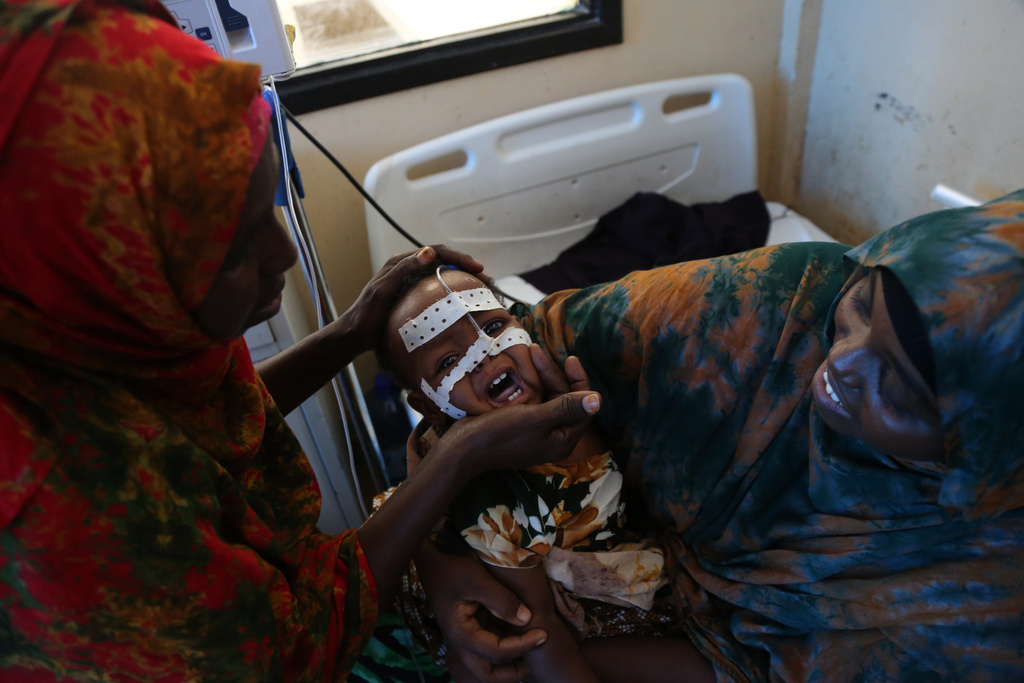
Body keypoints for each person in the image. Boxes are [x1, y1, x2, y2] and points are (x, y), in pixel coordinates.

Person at [0, 1, 601, 680]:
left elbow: (211, 419)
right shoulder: (60, 512)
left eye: (494, 327)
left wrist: (348, 333)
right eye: (234, 250)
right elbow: (287, 650)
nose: (283, 254)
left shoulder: (109, 335)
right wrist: (453, 469)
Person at [413, 192, 1024, 682]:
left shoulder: (988, 599)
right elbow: (466, 383)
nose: (840, 364)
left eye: (898, 386)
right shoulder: (765, 305)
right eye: (861, 305)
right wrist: (440, 560)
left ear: (989, 451)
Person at [375, 263, 711, 682]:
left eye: (494, 325)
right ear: (429, 407)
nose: (484, 352)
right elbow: (538, 628)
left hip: (635, 571)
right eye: (448, 360)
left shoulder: (573, 388)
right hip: (565, 622)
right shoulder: (493, 499)